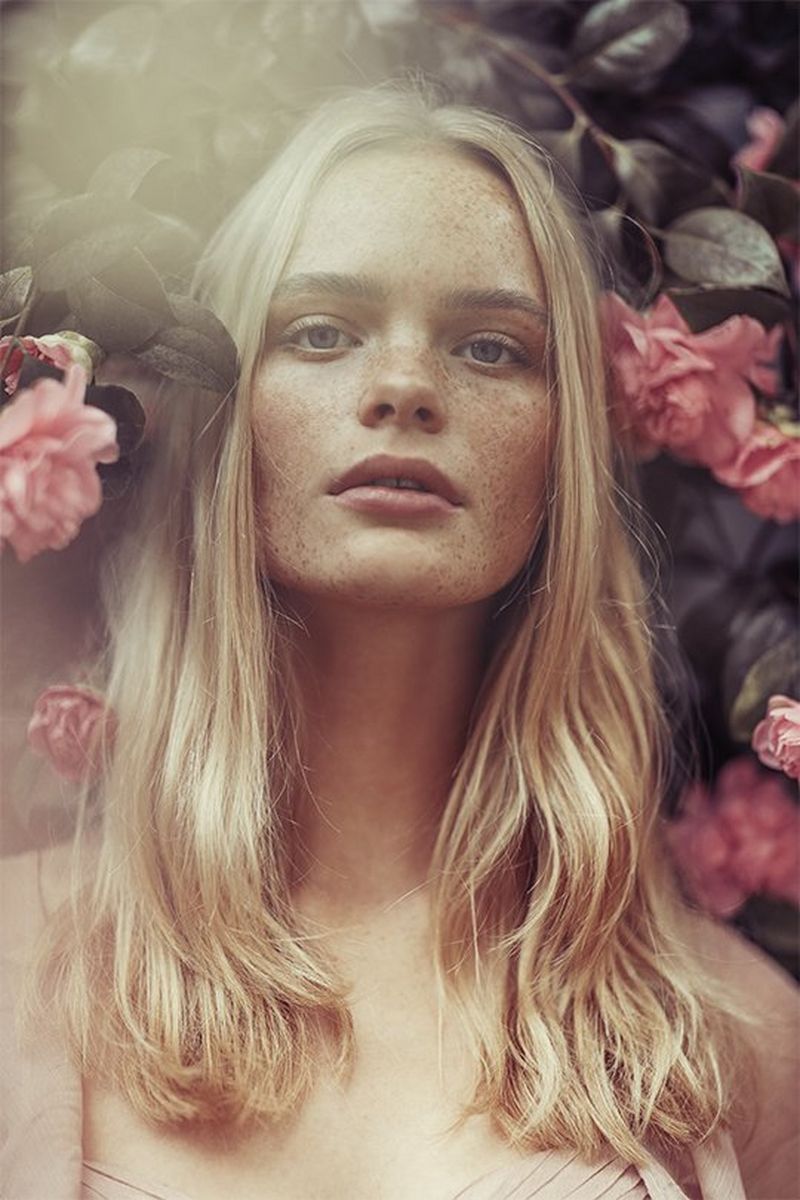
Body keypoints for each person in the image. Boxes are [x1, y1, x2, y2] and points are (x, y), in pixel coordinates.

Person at [1, 83, 798, 1200]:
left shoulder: (738, 1042)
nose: (404, 387)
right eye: (318, 331)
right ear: (218, 403)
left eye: (488, 347)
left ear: (559, 453)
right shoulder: (10, 965)